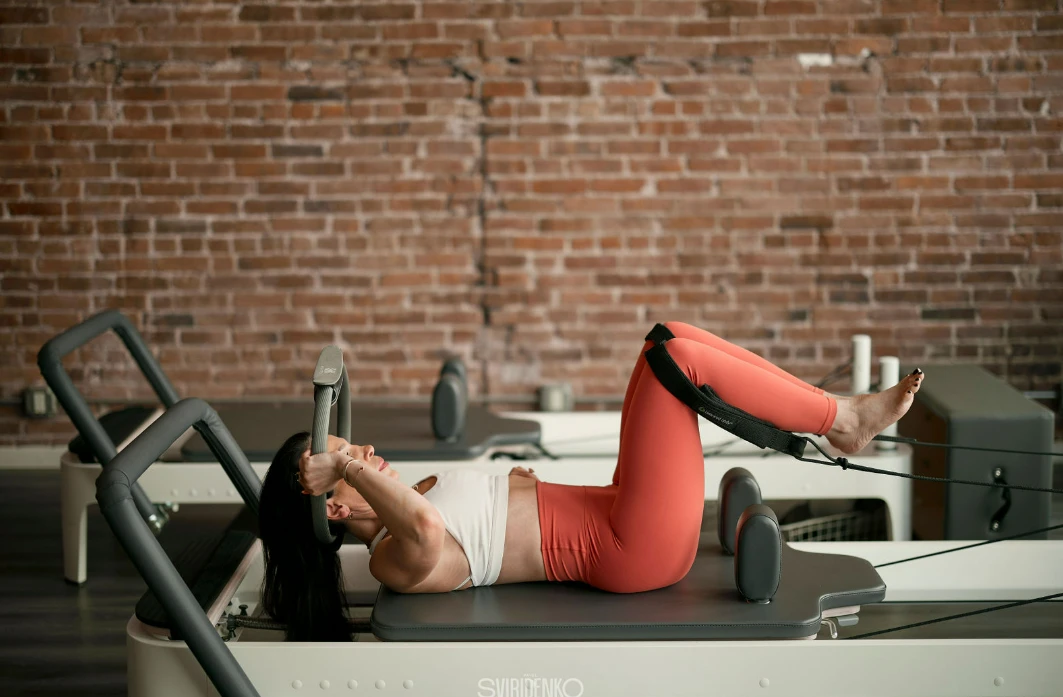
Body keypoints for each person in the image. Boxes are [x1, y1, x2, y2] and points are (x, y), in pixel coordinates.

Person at [258, 321, 923, 640]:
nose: (364, 450)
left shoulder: (411, 497)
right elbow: (429, 529)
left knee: (665, 337)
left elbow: (465, 517)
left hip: (617, 511)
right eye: (344, 457)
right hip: (633, 546)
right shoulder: (392, 558)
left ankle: (836, 417)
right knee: (679, 363)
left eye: (351, 444)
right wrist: (341, 466)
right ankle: (840, 420)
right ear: (333, 507)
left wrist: (506, 487)